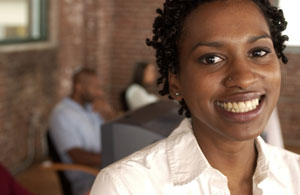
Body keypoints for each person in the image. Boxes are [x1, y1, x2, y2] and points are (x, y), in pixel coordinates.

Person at [91, 0, 300, 194]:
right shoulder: (126, 187)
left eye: (258, 52)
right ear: (175, 83)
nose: (244, 79)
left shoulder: (296, 175)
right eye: (212, 58)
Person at [49, 68, 114, 195]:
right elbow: (79, 157)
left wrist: (109, 114)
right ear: (79, 87)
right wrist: (114, 158)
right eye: (95, 87)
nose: (99, 92)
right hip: (88, 180)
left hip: (106, 171)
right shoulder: (62, 114)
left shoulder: (92, 107)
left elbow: (112, 135)